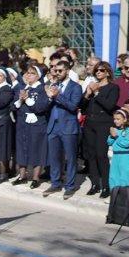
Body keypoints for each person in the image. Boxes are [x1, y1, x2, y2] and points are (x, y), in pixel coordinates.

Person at [42, 60, 83, 199]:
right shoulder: (52, 85)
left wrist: (57, 95)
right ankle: (55, 183)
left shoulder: (75, 87)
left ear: (67, 71)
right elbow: (45, 106)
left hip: (68, 126)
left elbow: (73, 106)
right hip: (53, 125)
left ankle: (70, 186)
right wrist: (48, 97)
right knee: (54, 157)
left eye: (60, 71)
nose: (57, 73)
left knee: (70, 158)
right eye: (55, 70)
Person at [80, 61, 119, 198]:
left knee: (101, 155)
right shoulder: (92, 86)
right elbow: (82, 106)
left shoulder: (113, 88)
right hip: (90, 123)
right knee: (91, 155)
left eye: (101, 70)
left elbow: (109, 106)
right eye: (96, 70)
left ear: (108, 72)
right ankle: (95, 184)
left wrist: (96, 92)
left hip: (103, 124)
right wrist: (87, 94)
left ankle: (106, 186)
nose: (98, 72)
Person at [12, 65, 49, 187]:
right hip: (22, 124)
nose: (29, 75)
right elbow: (14, 106)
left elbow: (40, 107)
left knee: (36, 149)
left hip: (36, 125)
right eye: (27, 73)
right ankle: (22, 175)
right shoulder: (23, 88)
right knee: (21, 149)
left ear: (38, 76)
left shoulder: (41, 89)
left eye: (32, 73)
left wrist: (27, 99)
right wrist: (20, 100)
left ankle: (36, 177)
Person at [107, 109, 129, 189]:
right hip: (115, 155)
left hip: (125, 156)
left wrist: (116, 136)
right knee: (113, 176)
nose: (115, 121)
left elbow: (126, 144)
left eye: (118, 119)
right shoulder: (115, 130)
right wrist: (112, 136)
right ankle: (114, 195)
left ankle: (124, 196)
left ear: (125, 119)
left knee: (124, 176)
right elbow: (109, 142)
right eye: (114, 119)